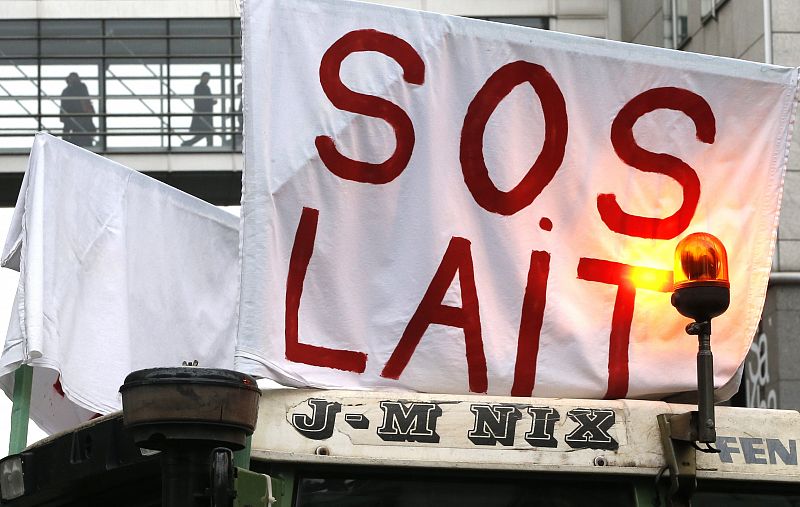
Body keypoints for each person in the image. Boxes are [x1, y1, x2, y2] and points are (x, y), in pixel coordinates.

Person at [60, 72, 96, 148]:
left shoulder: (78, 88)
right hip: (75, 119)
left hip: (79, 118)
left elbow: (86, 102)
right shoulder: (68, 91)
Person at [182, 72, 217, 146]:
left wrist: (210, 102)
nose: (207, 80)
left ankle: (189, 143)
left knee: (207, 132)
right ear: (201, 78)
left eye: (208, 78)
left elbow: (203, 100)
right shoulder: (199, 87)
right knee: (207, 131)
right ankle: (209, 147)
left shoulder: (204, 87)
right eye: (206, 78)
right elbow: (200, 101)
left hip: (205, 114)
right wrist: (211, 102)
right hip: (203, 114)